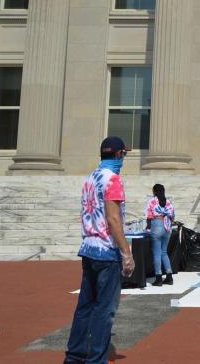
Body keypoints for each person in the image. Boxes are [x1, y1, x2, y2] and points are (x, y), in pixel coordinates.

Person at [65, 136, 135, 364]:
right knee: (105, 310)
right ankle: (96, 359)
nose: (123, 158)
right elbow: (113, 219)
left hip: (88, 247)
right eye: (123, 154)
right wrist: (127, 253)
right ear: (118, 155)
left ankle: (74, 356)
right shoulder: (112, 179)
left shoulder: (90, 178)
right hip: (106, 250)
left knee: (85, 307)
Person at [145, 183, 175, 286]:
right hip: (167, 226)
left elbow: (149, 216)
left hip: (156, 224)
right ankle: (169, 276)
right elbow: (172, 216)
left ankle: (158, 278)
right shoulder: (168, 202)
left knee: (157, 253)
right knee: (164, 252)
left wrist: (148, 227)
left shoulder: (152, 201)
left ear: (154, 192)